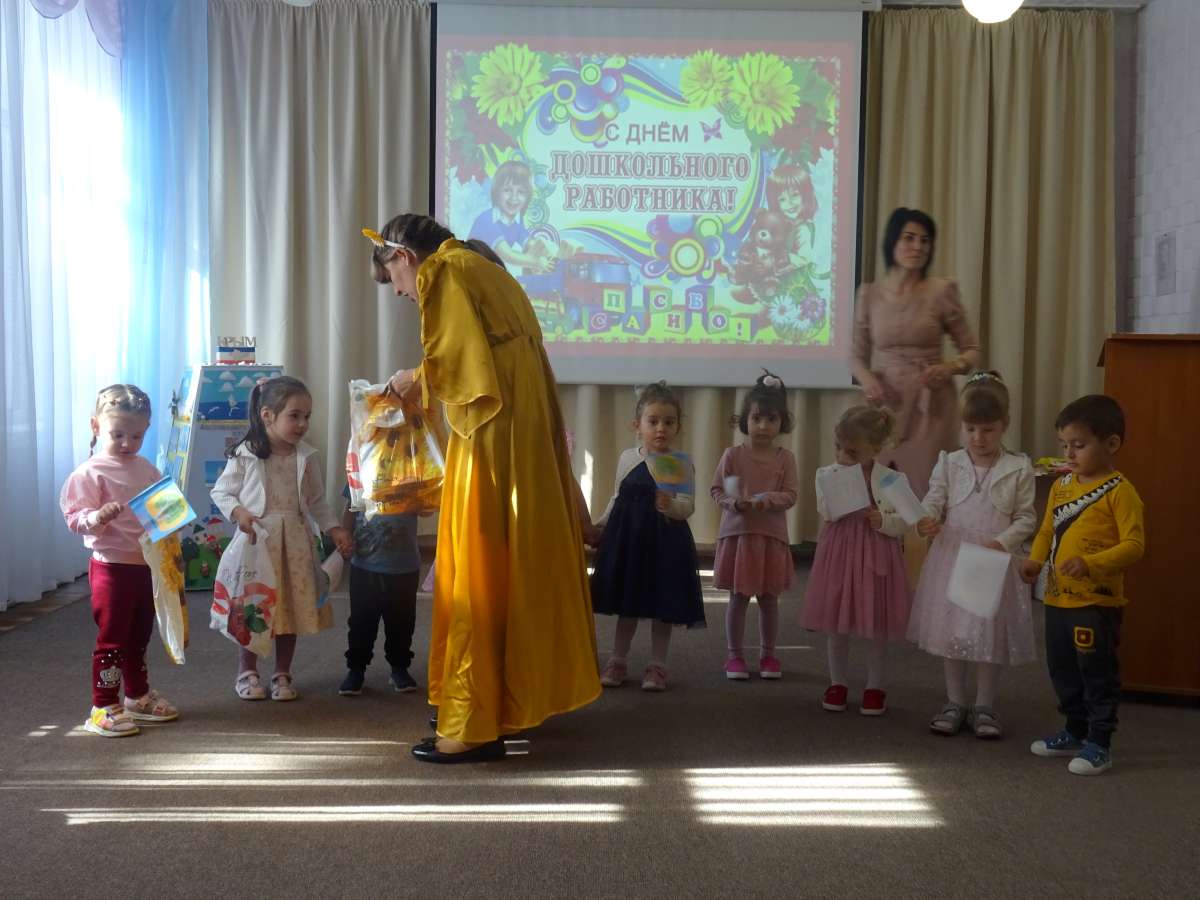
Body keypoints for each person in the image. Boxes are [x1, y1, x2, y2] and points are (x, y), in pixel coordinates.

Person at [367, 214, 600, 763]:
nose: (400, 292)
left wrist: (411, 380)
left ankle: (473, 723)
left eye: (393, 278)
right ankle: (497, 700)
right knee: (511, 561)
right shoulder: (488, 270)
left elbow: (456, 363)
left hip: (493, 438)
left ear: (403, 256)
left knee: (479, 565)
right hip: (522, 433)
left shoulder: (444, 269)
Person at [1020, 395, 1145, 776]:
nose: (1069, 454)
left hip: (1095, 603)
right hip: (1057, 599)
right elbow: (1046, 530)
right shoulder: (1061, 486)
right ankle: (1075, 731)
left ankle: (1100, 742)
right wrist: (1035, 560)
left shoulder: (1121, 491)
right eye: (1064, 445)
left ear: (1111, 444)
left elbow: (1134, 546)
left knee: (1096, 672)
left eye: (1079, 445)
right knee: (1063, 670)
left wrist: (1090, 563)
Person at [908, 372, 1037, 738]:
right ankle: (954, 701)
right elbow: (935, 498)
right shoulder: (950, 462)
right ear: (961, 426)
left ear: (1004, 425)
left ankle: (984, 705)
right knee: (954, 631)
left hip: (993, 560)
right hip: (954, 556)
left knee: (988, 634)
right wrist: (927, 518)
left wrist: (1003, 542)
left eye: (988, 430)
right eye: (971, 429)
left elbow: (1026, 517)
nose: (979, 438)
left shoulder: (1018, 467)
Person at [211, 376, 351, 703]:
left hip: (296, 545)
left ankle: (282, 672)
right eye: (294, 415)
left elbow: (317, 501)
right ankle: (247, 671)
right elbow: (222, 491)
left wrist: (334, 529)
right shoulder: (246, 453)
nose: (302, 424)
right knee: (253, 608)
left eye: (307, 416)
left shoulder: (307, 456)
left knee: (289, 607)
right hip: (258, 544)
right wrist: (239, 513)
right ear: (267, 416)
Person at [60, 384, 181, 737]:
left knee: (139, 634)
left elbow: (165, 515)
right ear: (96, 426)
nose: (128, 443)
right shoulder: (89, 473)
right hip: (111, 568)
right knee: (112, 637)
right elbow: (74, 517)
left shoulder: (146, 469)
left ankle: (137, 696)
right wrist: (97, 516)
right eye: (118, 435)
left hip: (146, 566)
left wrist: (174, 530)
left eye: (137, 436)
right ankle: (103, 705)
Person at [849, 207, 982, 499]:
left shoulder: (941, 291)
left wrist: (950, 367)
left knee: (927, 491)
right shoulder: (869, 294)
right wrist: (867, 379)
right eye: (909, 238)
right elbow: (856, 357)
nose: (918, 246)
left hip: (930, 407)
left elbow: (972, 351)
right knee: (878, 492)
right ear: (892, 241)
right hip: (884, 405)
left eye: (925, 240)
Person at [591, 381, 705, 692]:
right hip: (630, 541)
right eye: (653, 421)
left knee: (661, 606)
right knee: (627, 605)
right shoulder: (628, 457)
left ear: (678, 426)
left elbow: (688, 506)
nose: (660, 429)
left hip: (665, 544)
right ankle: (617, 660)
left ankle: (657, 666)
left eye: (669, 422)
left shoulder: (680, 463)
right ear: (637, 425)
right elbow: (617, 497)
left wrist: (671, 506)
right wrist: (600, 525)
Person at [799, 405, 911, 715]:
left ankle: (875, 686)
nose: (841, 456)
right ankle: (837, 682)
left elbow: (906, 520)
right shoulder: (827, 474)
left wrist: (884, 521)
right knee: (837, 620)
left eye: (851, 451)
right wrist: (841, 484)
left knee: (876, 623)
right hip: (840, 553)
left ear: (875, 448)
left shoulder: (891, 479)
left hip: (877, 554)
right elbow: (827, 511)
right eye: (838, 447)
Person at [710, 370, 799, 680]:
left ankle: (768, 655)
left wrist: (767, 499)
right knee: (737, 597)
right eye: (756, 418)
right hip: (739, 536)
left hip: (771, 538)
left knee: (769, 599)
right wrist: (734, 503)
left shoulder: (785, 458)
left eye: (771, 419)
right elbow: (717, 490)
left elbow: (791, 495)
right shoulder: (732, 455)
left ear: (782, 422)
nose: (763, 426)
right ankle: (734, 656)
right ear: (744, 420)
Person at [336, 484, 421, 696]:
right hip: (365, 564)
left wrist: (417, 494)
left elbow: (427, 509)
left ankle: (399, 667)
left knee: (401, 621)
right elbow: (351, 507)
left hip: (404, 564)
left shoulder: (414, 470)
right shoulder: (360, 468)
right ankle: (356, 669)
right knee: (361, 621)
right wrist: (345, 534)